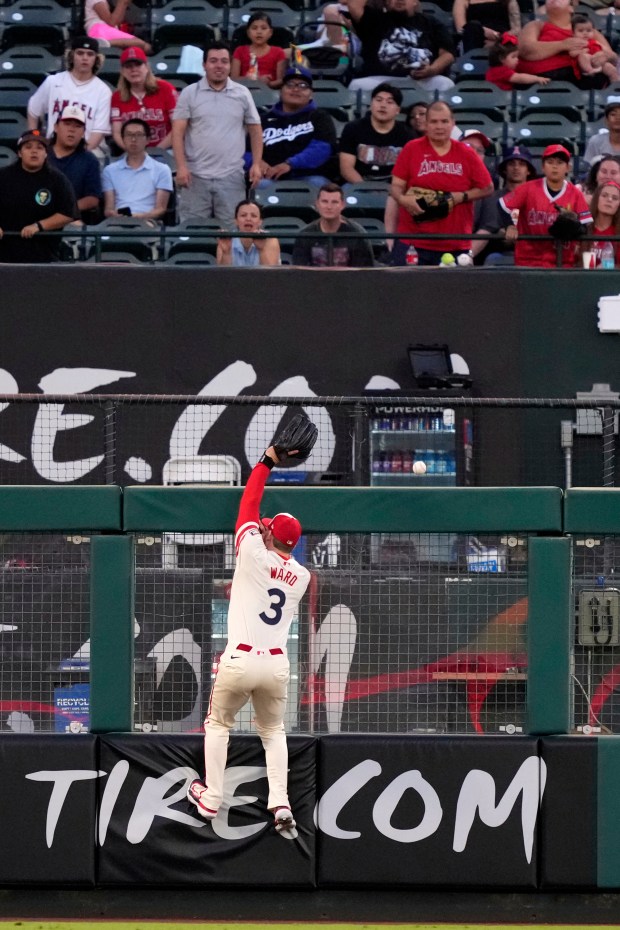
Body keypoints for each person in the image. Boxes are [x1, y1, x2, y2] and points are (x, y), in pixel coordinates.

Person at [186, 443, 311, 839]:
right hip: (275, 664)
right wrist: (269, 533)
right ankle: (281, 802)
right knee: (273, 732)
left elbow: (249, 502)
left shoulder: (253, 551)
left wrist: (268, 461)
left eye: (268, 527)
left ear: (271, 535)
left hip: (239, 659)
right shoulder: (303, 575)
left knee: (217, 724)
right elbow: (273, 548)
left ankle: (211, 797)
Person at [390, 101, 493, 265]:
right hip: (413, 240)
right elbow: (395, 186)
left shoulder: (466, 153)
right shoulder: (412, 148)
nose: (439, 126)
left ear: (453, 123)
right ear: (426, 124)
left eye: (444, 121)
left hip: (455, 242)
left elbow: (487, 188)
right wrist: (403, 200)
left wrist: (462, 196)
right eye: (434, 121)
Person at [172, 41, 263, 227]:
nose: (219, 66)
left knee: (232, 234)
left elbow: (255, 130)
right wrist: (181, 166)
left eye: (224, 61)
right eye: (213, 61)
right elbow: (178, 132)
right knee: (192, 233)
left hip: (231, 177)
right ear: (204, 65)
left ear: (230, 65)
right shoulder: (189, 93)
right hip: (195, 177)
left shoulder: (243, 94)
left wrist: (256, 163)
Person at [499, 143, 592, 267]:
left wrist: (574, 227)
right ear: (543, 167)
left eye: (560, 162)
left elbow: (586, 225)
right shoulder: (528, 188)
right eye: (550, 162)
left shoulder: (576, 194)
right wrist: (510, 225)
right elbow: (502, 205)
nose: (555, 166)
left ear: (567, 168)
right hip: (527, 260)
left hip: (561, 261)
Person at [253, 65, 337, 188]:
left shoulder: (320, 117)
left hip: (308, 177)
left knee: (318, 185)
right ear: (281, 91)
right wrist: (257, 162)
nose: (296, 89)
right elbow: (246, 151)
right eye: (290, 85)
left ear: (311, 94)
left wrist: (290, 164)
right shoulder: (263, 120)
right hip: (269, 177)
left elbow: (322, 149)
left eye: (303, 86)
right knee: (260, 185)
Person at [0, 130, 77, 263]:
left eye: (40, 148)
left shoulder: (57, 180)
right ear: (19, 153)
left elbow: (68, 213)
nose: (34, 151)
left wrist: (39, 226)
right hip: (3, 251)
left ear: (46, 153)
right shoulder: (3, 177)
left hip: (43, 255)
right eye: (28, 147)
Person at [347, 0, 456, 92]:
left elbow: (447, 54)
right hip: (379, 81)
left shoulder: (431, 23)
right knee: (356, 86)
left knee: (445, 83)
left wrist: (431, 70)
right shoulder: (374, 19)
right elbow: (354, 4)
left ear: (415, 2)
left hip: (421, 81)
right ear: (387, 2)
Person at [27, 37, 111, 154]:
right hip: (53, 150)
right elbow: (33, 111)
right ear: (71, 56)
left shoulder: (103, 91)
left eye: (90, 54)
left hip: (87, 152)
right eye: (80, 53)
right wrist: (35, 137)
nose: (85, 58)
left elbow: (98, 133)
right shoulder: (53, 81)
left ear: (96, 59)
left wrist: (76, 156)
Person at [517, 0, 615, 89]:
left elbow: (613, 57)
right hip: (538, 81)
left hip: (582, 79)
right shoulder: (535, 25)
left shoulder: (587, 31)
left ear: (571, 7)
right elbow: (525, 50)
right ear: (545, 8)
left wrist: (605, 56)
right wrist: (562, 45)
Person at [472, 142, 536, 264]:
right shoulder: (489, 197)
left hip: (530, 253)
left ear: (528, 171)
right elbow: (478, 229)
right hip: (491, 252)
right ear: (504, 169)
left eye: (522, 164)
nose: (516, 168)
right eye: (511, 164)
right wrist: (498, 234)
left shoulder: (537, 198)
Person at [339, 82, 412, 183]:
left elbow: (410, 171)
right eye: (378, 100)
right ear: (371, 104)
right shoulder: (353, 128)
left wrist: (394, 191)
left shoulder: (407, 134)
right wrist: (365, 189)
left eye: (389, 102)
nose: (383, 105)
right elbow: (346, 169)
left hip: (393, 186)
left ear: (398, 110)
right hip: (358, 184)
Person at [102, 117, 173, 219]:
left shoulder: (162, 170)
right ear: (123, 138)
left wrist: (138, 217)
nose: (134, 139)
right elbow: (109, 208)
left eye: (139, 135)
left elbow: (160, 209)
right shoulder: (109, 171)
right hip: (117, 221)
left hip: (148, 222)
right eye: (129, 135)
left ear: (148, 139)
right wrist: (114, 214)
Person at [111, 46, 178, 150]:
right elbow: (117, 133)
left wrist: (156, 151)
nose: (134, 70)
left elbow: (177, 127)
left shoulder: (165, 89)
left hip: (166, 150)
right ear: (123, 71)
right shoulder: (117, 96)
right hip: (131, 152)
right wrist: (133, 152)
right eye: (128, 66)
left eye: (138, 64)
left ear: (147, 67)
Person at [291, 182, 374, 266]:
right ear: (317, 204)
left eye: (334, 202)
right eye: (324, 201)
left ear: (342, 205)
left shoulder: (357, 234)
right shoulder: (305, 235)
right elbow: (299, 273)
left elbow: (364, 273)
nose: (329, 207)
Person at [47, 105, 102, 224]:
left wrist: (64, 211)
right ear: (56, 127)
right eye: (67, 124)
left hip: (73, 218)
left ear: (83, 133)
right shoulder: (42, 155)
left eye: (78, 126)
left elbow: (92, 198)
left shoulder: (89, 160)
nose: (72, 130)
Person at [216, 199, 281, 266]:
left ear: (260, 222)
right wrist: (226, 253)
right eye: (243, 215)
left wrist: (262, 250)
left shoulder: (270, 240)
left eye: (253, 216)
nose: (248, 219)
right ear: (236, 221)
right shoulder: (226, 239)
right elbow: (223, 275)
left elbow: (271, 275)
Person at [231, 12, 287, 88]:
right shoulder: (239, 51)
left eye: (263, 28)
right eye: (254, 28)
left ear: (270, 32)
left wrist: (267, 84)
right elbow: (234, 79)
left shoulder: (278, 52)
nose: (259, 32)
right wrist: (253, 80)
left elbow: (281, 80)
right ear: (248, 32)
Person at [486, 33, 551, 89]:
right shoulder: (501, 71)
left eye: (517, 57)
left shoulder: (495, 70)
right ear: (501, 58)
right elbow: (520, 78)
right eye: (513, 57)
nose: (517, 59)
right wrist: (537, 79)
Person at [453, 0, 521, 53]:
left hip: (502, 41)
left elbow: (517, 29)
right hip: (475, 37)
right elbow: (461, 29)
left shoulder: (508, 1)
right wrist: (482, 31)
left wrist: (498, 39)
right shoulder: (462, 1)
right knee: (473, 26)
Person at [84, 0, 151, 51]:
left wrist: (124, 4)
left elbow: (117, 22)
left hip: (106, 31)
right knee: (142, 45)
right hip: (99, 30)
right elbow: (111, 22)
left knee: (146, 47)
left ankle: (105, 43)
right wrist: (121, 2)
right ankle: (104, 43)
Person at [571, 13, 617, 84]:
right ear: (573, 33)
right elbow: (572, 53)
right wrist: (581, 51)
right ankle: (590, 70)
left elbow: (607, 51)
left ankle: (616, 85)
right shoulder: (576, 43)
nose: (585, 33)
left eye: (589, 31)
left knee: (611, 68)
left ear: (593, 32)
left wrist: (603, 53)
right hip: (585, 65)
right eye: (581, 31)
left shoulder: (595, 42)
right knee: (583, 56)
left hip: (600, 63)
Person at [583, 180, 620, 266]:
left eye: (615, 198)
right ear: (596, 199)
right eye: (604, 195)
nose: (609, 200)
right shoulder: (584, 228)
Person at [584, 103, 620, 168]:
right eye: (613, 114)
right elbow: (591, 169)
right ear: (606, 120)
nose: (618, 118)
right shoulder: (595, 141)